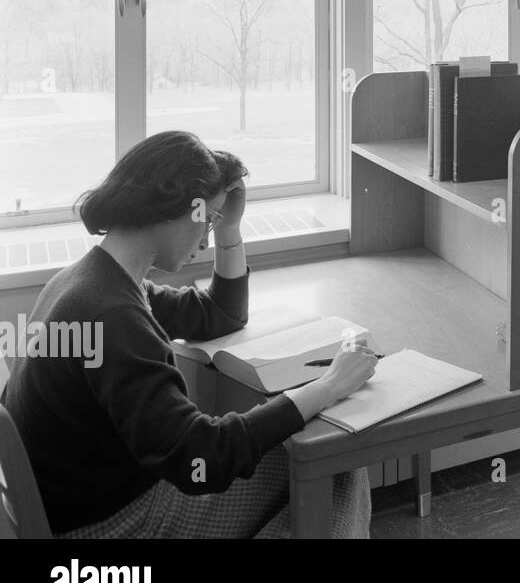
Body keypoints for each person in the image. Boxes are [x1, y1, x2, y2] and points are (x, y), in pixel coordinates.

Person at [1, 131, 376, 538]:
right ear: (171, 207)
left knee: (304, 466)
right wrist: (330, 385)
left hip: (81, 507)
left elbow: (221, 314)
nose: (208, 235)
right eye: (208, 219)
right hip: (114, 525)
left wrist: (230, 229)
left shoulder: (92, 280)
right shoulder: (114, 315)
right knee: (336, 466)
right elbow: (201, 461)